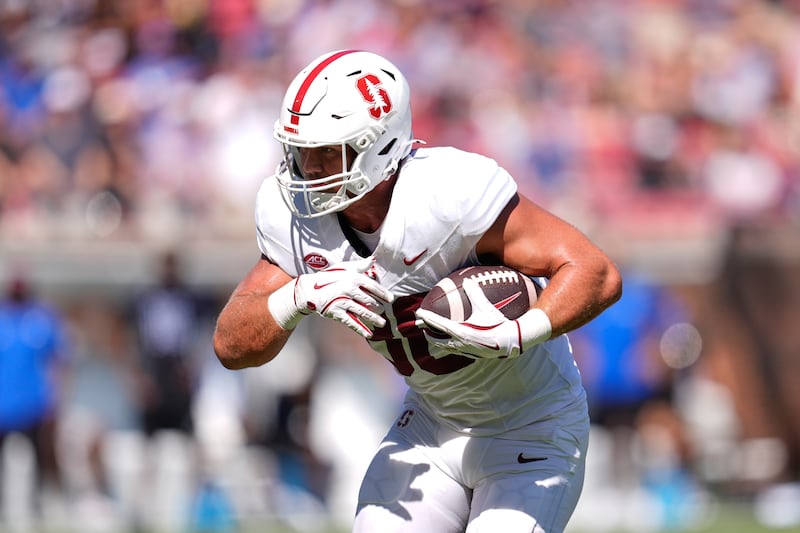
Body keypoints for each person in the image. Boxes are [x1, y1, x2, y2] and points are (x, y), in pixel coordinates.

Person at [213, 49, 622, 533]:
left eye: (328, 152)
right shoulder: (292, 217)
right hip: (431, 424)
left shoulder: (449, 191)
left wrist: (519, 332)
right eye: (301, 152)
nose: (309, 169)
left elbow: (594, 270)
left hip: (533, 424)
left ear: (380, 146)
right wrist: (294, 296)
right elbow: (231, 346)